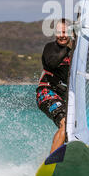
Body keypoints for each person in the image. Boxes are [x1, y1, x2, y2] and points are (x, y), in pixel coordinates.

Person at [36, 18, 73, 154]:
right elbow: (51, 63)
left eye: (65, 31)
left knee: (71, 129)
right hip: (46, 92)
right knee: (65, 123)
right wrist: (69, 47)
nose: (62, 35)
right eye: (58, 32)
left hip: (63, 97)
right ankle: (51, 162)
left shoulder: (77, 51)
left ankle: (62, 159)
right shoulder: (50, 48)